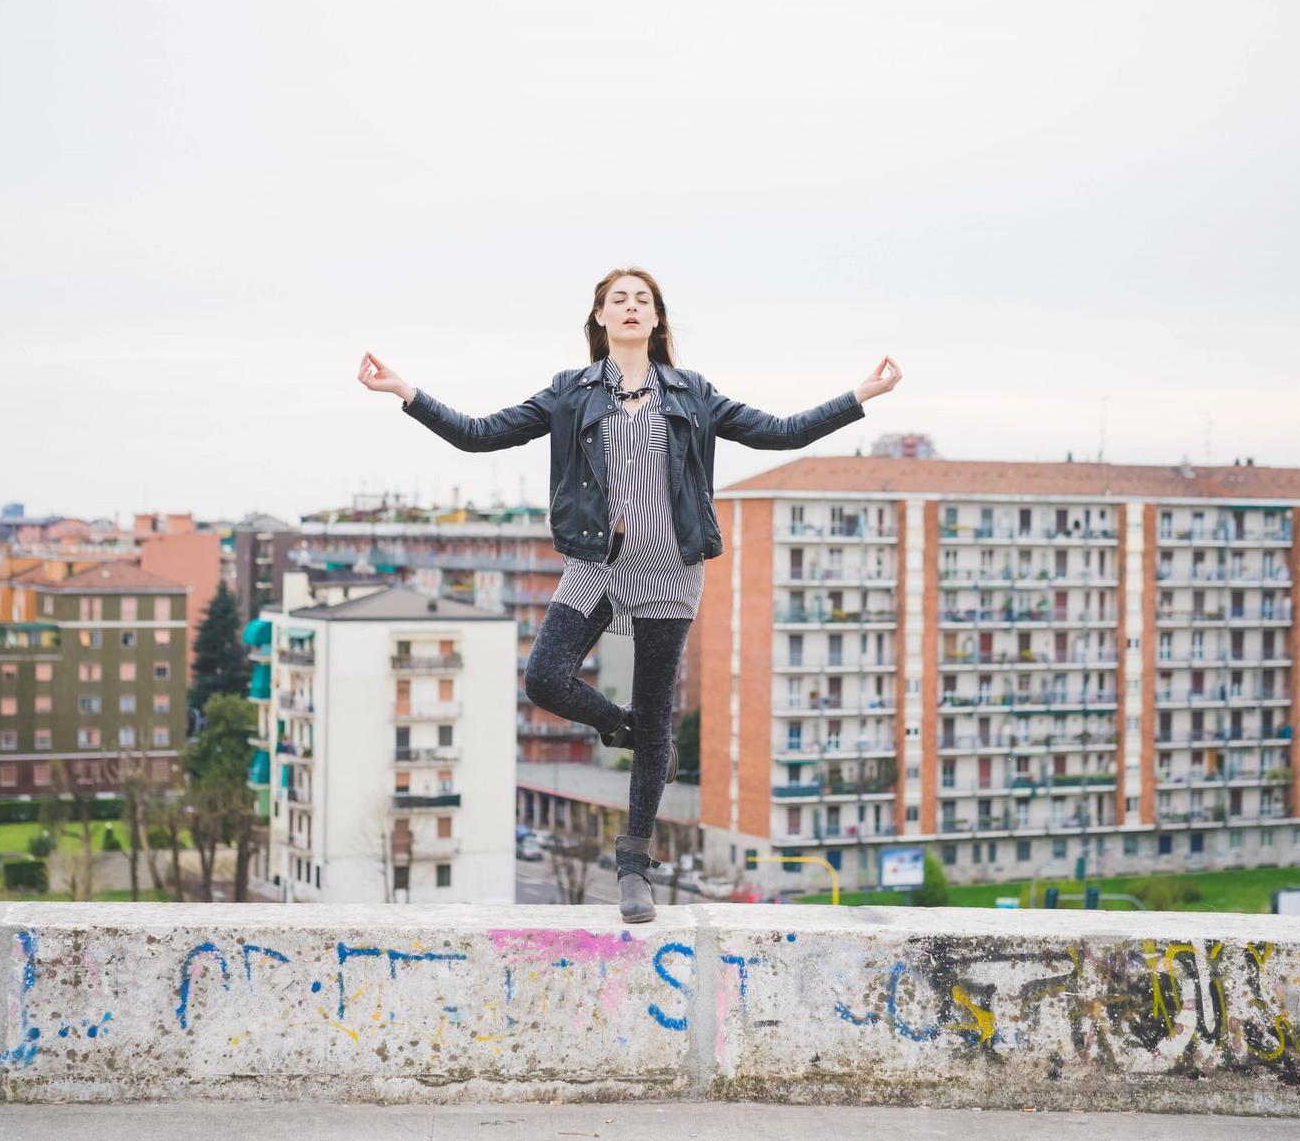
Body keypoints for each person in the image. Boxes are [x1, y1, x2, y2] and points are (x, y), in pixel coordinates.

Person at [359, 267, 902, 921]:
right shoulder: (570, 392)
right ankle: (627, 728)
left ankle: (634, 867)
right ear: (599, 317)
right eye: (618, 299)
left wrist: (860, 395)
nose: (631, 307)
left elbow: (781, 432)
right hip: (599, 562)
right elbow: (479, 434)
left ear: (657, 318)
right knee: (546, 679)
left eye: (642, 300)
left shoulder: (692, 393)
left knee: (657, 702)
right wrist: (406, 392)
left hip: (672, 569)